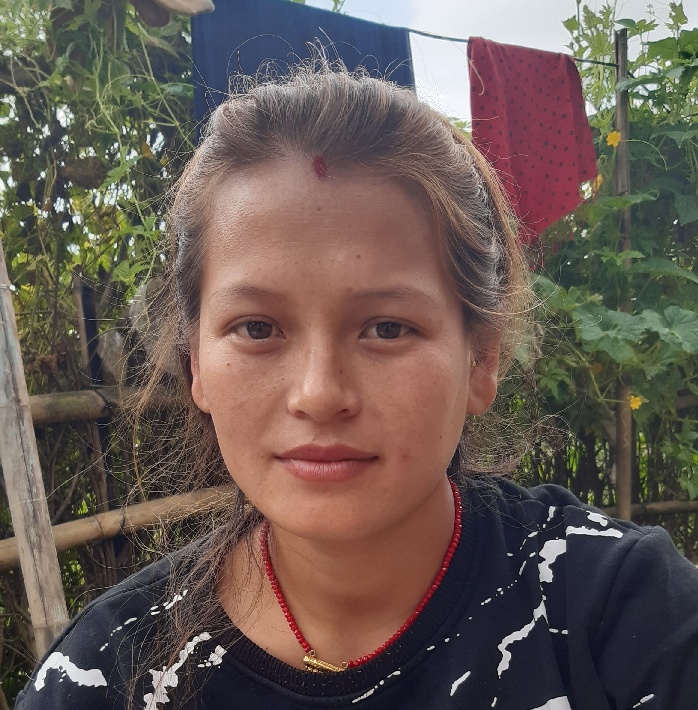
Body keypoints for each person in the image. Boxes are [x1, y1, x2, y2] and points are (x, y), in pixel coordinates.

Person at [15, 67, 698, 710]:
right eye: (257, 328)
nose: (318, 394)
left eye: (387, 328)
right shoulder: (105, 676)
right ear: (196, 363)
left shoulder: (621, 615)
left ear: (482, 358)